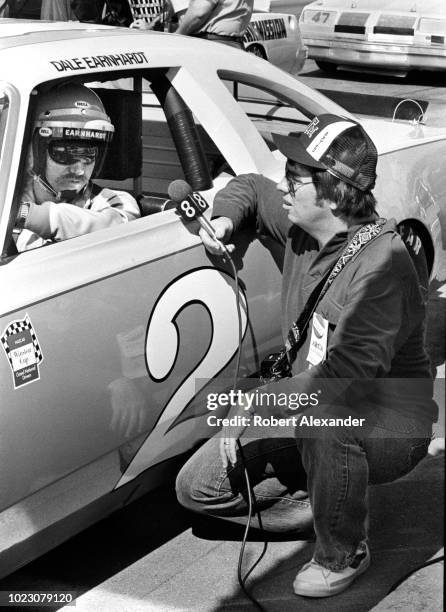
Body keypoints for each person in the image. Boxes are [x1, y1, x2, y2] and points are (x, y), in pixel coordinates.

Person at [176, 114, 437, 597]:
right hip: (307, 406)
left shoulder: (384, 267)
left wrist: (255, 404)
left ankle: (344, 551)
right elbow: (251, 186)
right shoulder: (302, 224)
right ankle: (333, 499)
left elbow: (343, 379)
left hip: (390, 422)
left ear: (334, 191)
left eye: (295, 178)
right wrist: (227, 216)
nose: (284, 186)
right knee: (199, 488)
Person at [15, 83, 140, 252]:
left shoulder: (116, 202)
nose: (79, 170)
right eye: (65, 154)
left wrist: (29, 216)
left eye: (89, 155)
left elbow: (120, 227)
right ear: (33, 153)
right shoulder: (8, 198)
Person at [131, 0, 253, 49]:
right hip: (232, 44)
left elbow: (198, 12)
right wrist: (151, 26)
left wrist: (177, 36)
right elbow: (173, 8)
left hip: (210, 45)